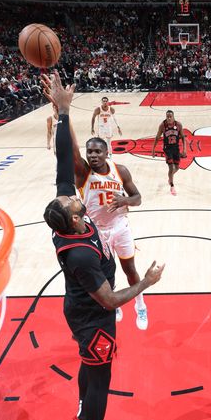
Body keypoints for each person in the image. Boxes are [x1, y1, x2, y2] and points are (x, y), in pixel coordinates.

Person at [41, 71, 164, 420]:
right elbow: (109, 298)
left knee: (86, 368)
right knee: (101, 379)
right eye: (76, 207)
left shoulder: (67, 217)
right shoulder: (79, 255)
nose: (78, 202)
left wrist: (63, 110)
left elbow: (64, 159)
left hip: (86, 310)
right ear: (74, 223)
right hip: (94, 317)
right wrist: (145, 282)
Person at [71, 129, 149, 329]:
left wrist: (125, 200)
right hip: (97, 232)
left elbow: (138, 198)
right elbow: (71, 151)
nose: (93, 156)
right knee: (106, 274)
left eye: (97, 152)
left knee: (130, 270)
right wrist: (64, 115)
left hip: (119, 227)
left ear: (107, 153)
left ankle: (140, 305)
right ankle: (115, 305)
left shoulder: (120, 171)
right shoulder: (82, 173)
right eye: (89, 152)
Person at [151, 110, 186, 196]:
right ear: (166, 117)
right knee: (171, 167)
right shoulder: (163, 125)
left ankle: (170, 177)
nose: (169, 118)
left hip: (176, 148)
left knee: (177, 168)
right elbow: (157, 137)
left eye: (170, 116)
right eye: (168, 116)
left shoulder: (178, 125)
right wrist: (153, 149)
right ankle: (172, 186)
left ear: (174, 117)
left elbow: (183, 138)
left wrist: (184, 149)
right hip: (167, 149)